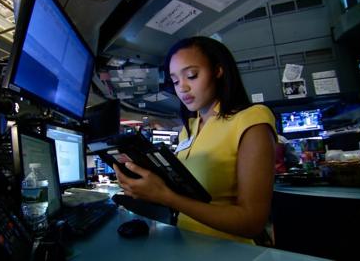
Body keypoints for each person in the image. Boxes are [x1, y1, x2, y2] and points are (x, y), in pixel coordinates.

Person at [113, 36, 277, 244]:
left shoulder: (251, 119)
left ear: (218, 71)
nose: (182, 88)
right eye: (175, 81)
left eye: (191, 75)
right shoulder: (188, 129)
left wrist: (166, 197)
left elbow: (252, 222)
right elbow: (184, 192)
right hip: (185, 242)